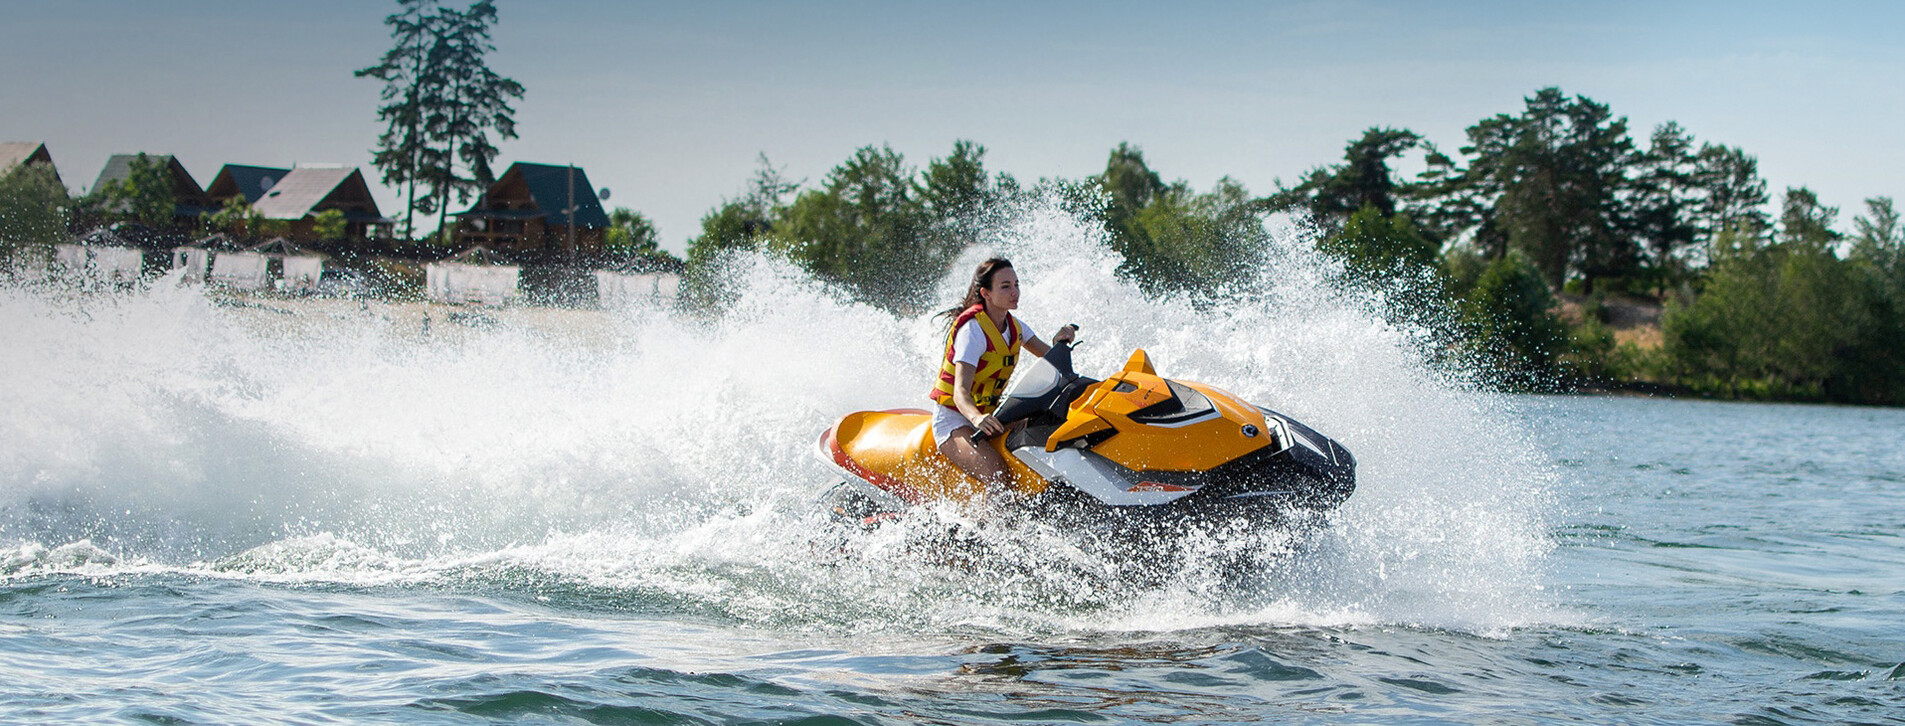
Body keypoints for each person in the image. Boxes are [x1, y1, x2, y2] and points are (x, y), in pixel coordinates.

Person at [929, 257, 1076, 495]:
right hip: (957, 420)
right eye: (1005, 286)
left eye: (1016, 284)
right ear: (986, 293)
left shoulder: (1015, 327)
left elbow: (1053, 362)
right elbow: (960, 393)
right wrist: (977, 419)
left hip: (992, 416)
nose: (1014, 292)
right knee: (997, 473)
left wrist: (1060, 344)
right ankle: (995, 531)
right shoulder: (972, 332)